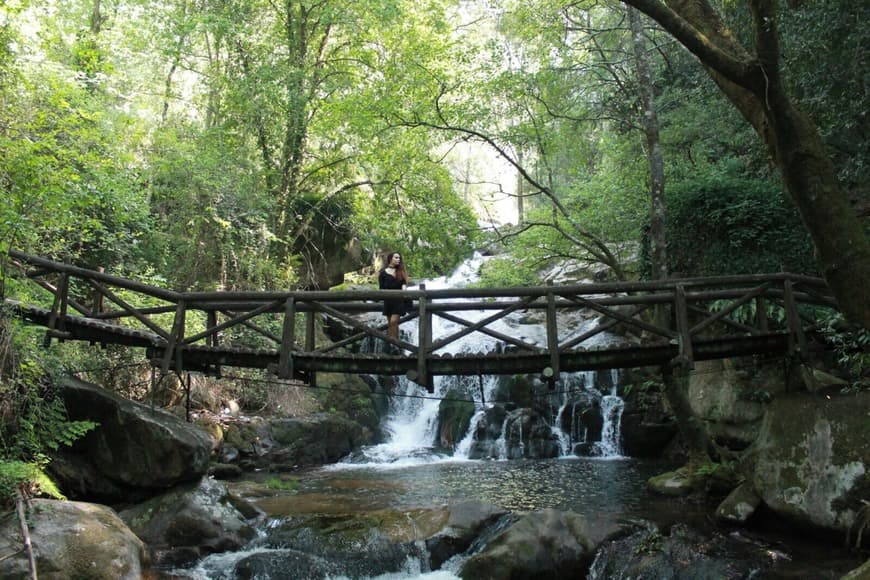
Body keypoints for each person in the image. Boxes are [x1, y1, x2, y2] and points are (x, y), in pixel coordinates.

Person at [378, 251, 411, 339]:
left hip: (399, 300)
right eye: (396, 258)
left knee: (393, 322)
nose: (398, 260)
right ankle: (394, 344)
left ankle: (393, 343)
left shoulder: (401, 271)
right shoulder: (383, 273)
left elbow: (404, 285)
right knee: (391, 324)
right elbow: (381, 288)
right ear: (390, 259)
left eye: (399, 258)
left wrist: (404, 293)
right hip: (388, 301)